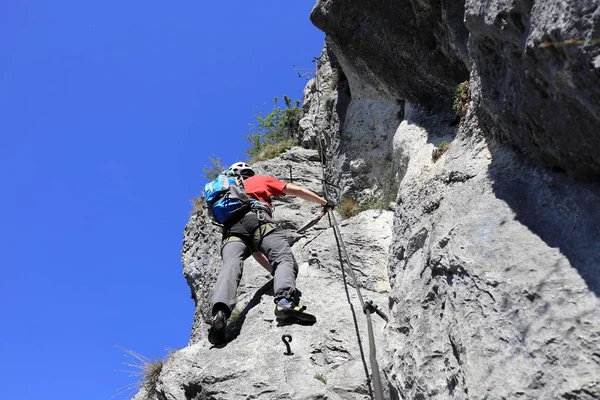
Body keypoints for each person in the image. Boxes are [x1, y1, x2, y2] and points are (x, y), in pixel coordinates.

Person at [208, 161, 334, 345]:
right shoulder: (259, 180)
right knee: (284, 259)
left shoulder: (226, 191)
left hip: (230, 231)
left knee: (231, 266)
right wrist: (324, 202)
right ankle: (284, 302)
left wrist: (272, 271)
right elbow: (295, 190)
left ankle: (220, 313)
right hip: (259, 221)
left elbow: (255, 249)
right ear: (249, 173)